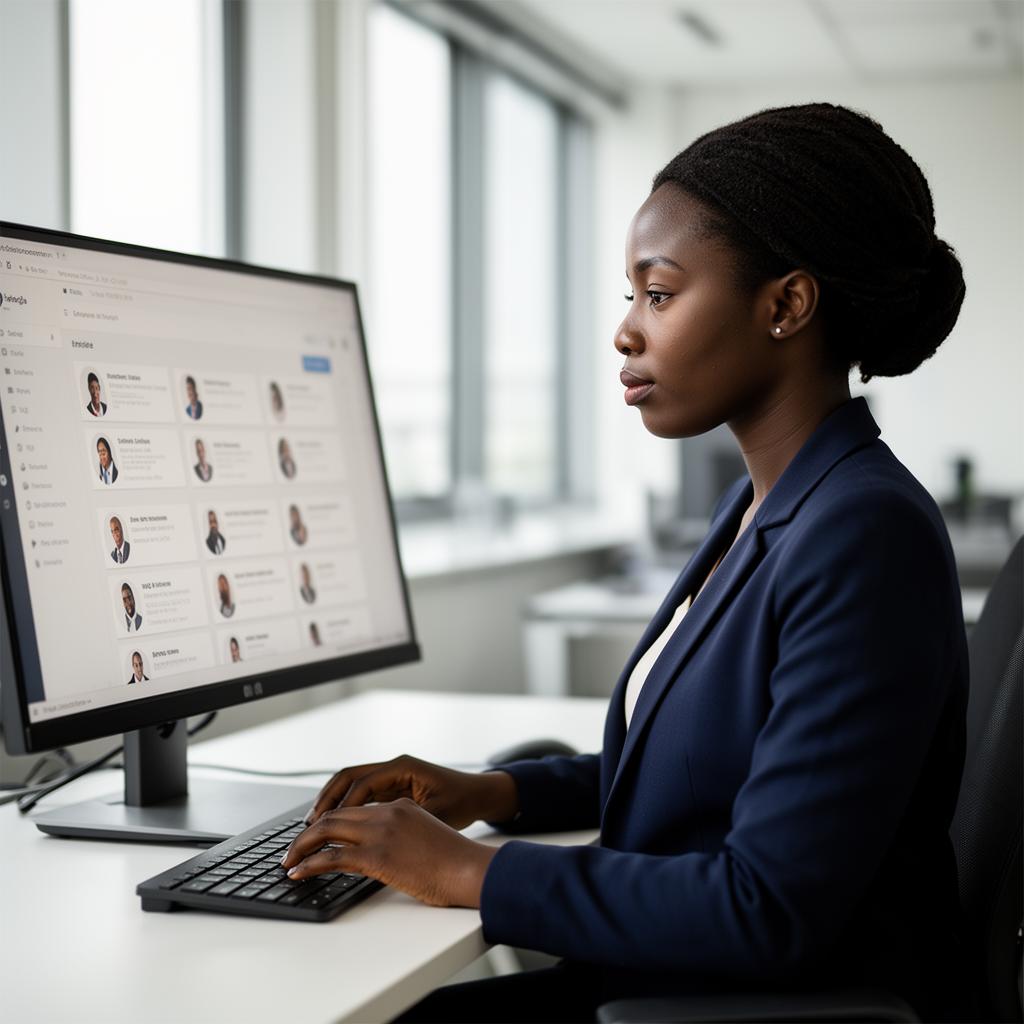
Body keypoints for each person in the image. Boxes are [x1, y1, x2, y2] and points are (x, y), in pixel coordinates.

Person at [278, 104, 971, 1023]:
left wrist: (465, 868)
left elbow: (769, 907)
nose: (626, 331)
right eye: (631, 295)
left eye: (660, 292)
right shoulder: (766, 503)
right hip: (673, 981)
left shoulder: (862, 532)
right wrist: (495, 792)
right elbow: (708, 768)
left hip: (750, 1001)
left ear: (786, 305)